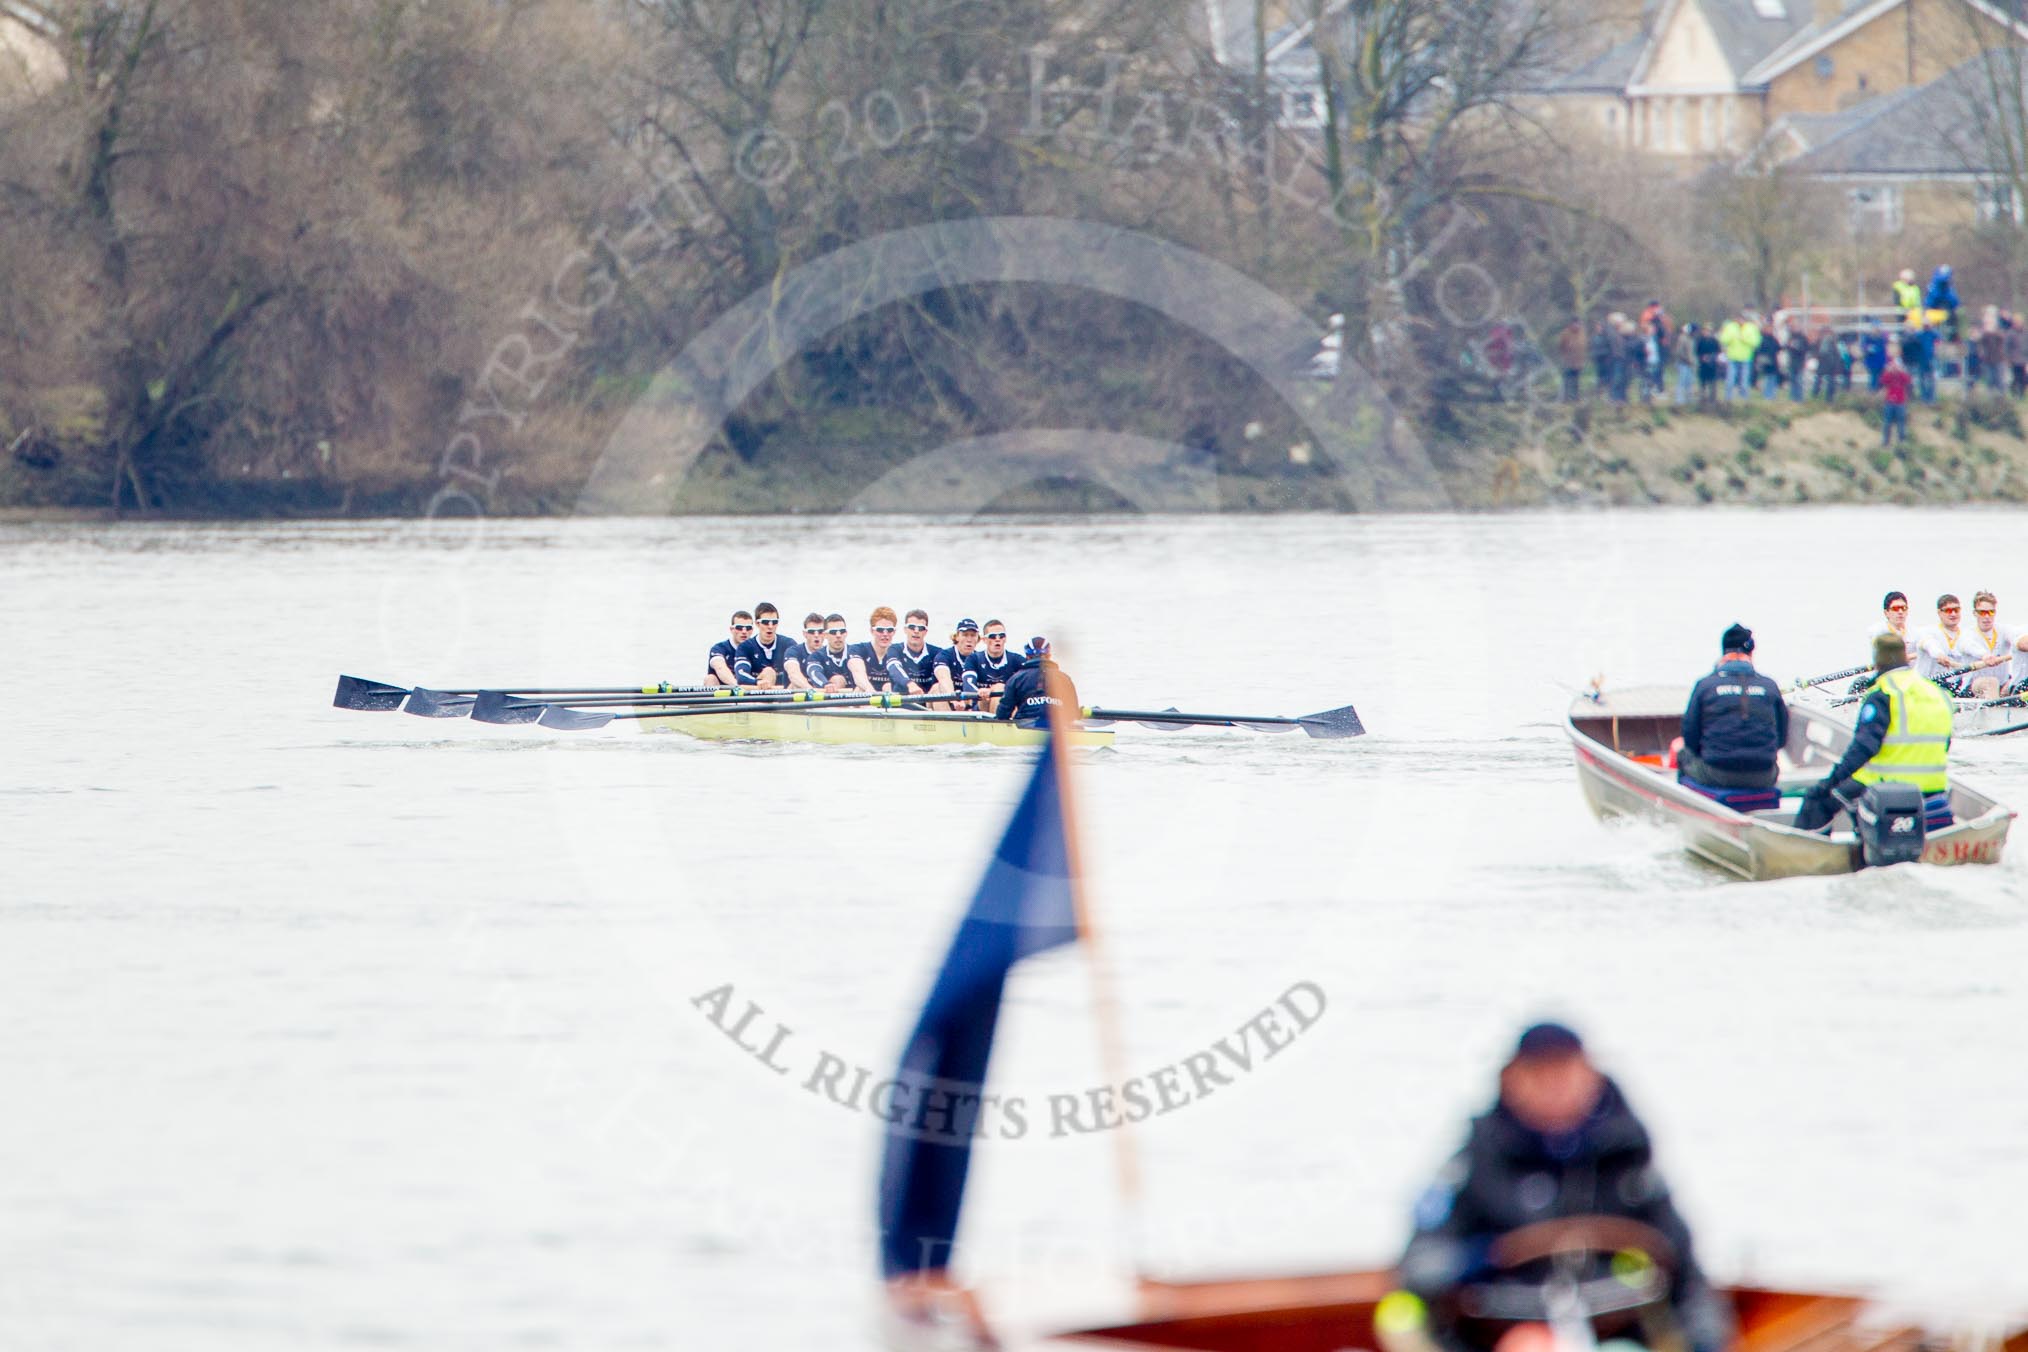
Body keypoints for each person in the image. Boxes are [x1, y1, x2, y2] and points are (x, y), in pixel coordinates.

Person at [1384, 1023, 1735, 1352]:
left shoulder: (1627, 1159)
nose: (1554, 1088)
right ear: (1512, 1080)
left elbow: (1683, 1266)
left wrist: (1705, 1341)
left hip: (1620, 1332)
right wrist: (1482, 1257)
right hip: (1505, 1330)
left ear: (1590, 1075)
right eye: (1540, 1075)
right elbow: (1422, 1264)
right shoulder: (1477, 1162)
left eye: (1564, 1072)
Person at [1794, 632, 1953, 833]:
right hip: (1935, 786)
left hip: (1887, 785)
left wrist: (1830, 782)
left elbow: (1863, 748)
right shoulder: (1938, 693)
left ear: (1877, 659)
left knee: (1818, 799)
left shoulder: (1884, 693)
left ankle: (1807, 851)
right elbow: (1946, 744)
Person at [1677, 624, 1788, 802]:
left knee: (1681, 752)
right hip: (1764, 776)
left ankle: (1690, 811)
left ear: (1723, 652)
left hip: (1717, 774)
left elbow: (1690, 737)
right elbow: (1782, 740)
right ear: (1751, 653)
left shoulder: (1705, 685)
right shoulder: (1770, 686)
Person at [993, 637, 1080, 729]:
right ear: (1049, 655)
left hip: (1025, 727)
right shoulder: (1065, 679)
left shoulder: (1015, 679)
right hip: (1059, 730)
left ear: (1027, 656)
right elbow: (1073, 714)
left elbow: (1003, 714)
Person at [1952, 590, 2019, 698]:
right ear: (1975, 613)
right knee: (1991, 682)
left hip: (2002, 685)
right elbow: (1969, 646)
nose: (1987, 616)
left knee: (2018, 683)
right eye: (1982, 612)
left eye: (1991, 612)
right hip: (1973, 687)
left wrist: (2021, 643)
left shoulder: (2003, 630)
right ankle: (1995, 712)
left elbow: (2017, 638)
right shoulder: (1967, 634)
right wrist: (1985, 656)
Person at [733, 602, 801, 688]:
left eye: (774, 622)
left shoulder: (788, 644)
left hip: (785, 692)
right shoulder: (745, 647)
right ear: (757, 624)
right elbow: (741, 676)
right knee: (769, 672)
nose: (770, 626)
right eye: (765, 622)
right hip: (757, 691)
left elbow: (800, 673)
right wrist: (758, 682)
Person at [964, 620, 1019, 714]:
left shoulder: (1016, 659)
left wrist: (992, 690)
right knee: (997, 690)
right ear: (984, 640)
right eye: (992, 636)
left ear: (1005, 639)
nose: (997, 639)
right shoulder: (974, 659)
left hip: (1007, 705)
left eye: (1001, 636)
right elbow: (968, 685)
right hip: (982, 703)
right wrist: (980, 691)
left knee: (999, 688)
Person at [1911, 594, 1966, 683]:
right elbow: (1929, 644)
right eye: (1948, 611)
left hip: (1953, 685)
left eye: (1956, 610)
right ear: (1939, 613)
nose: (1953, 614)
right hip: (1926, 683)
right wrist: (1939, 654)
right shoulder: (1928, 631)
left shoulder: (1966, 635)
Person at [885, 608, 941, 694]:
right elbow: (894, 668)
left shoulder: (937, 652)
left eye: (921, 628)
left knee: (937, 688)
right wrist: (910, 684)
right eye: (912, 627)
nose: (916, 631)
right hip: (902, 703)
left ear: (925, 632)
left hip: (927, 702)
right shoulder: (894, 649)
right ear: (905, 630)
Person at [932, 618, 982, 709]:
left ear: (978, 639)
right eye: (965, 635)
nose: (969, 640)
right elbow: (944, 679)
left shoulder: (980, 659)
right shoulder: (944, 656)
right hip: (948, 699)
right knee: (936, 688)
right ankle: (946, 721)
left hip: (968, 702)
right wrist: (954, 699)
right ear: (957, 637)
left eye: (973, 635)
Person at [849, 606, 902, 692]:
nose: (885, 634)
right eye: (880, 630)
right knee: (860, 689)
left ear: (894, 632)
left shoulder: (899, 651)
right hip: (866, 695)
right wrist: (869, 690)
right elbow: (857, 672)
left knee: (888, 687)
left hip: (889, 696)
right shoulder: (858, 649)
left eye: (889, 630)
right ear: (872, 631)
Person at [805, 614, 858, 691]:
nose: (838, 635)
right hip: (829, 694)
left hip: (855, 695)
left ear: (846, 633)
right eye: (833, 632)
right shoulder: (816, 656)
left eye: (842, 631)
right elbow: (814, 672)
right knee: (837, 680)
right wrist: (826, 684)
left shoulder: (856, 652)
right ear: (825, 635)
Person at [708, 610, 754, 686]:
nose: (744, 631)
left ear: (752, 630)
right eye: (739, 628)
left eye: (748, 628)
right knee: (710, 678)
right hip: (726, 691)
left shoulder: (756, 648)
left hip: (750, 689)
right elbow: (720, 667)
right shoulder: (719, 648)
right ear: (731, 629)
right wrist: (737, 686)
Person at [1879, 350, 1911, 446]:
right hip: (1889, 401)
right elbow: (1883, 380)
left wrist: (1901, 372)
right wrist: (1889, 371)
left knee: (1901, 423)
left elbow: (1908, 380)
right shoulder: (1889, 375)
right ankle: (1885, 441)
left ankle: (1902, 441)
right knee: (1887, 423)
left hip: (1900, 402)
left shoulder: (1902, 375)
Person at [1557, 320, 1585, 403]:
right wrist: (1565, 356)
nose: (1577, 326)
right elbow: (1561, 346)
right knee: (1566, 381)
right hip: (1568, 361)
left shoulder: (1582, 333)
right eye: (1575, 324)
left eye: (1579, 324)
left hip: (1578, 362)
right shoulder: (1565, 333)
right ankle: (1564, 398)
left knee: (1576, 381)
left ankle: (1575, 398)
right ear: (1571, 324)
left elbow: (1583, 347)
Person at [1861, 319, 1888, 390]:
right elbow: (1863, 347)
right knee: (1873, 379)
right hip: (1872, 362)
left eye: (1878, 327)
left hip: (1881, 362)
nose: (1876, 329)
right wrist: (1868, 348)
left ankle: (1878, 393)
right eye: (1875, 327)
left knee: (1881, 379)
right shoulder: (1868, 337)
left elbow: (1884, 350)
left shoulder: (1882, 338)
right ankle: (1872, 394)